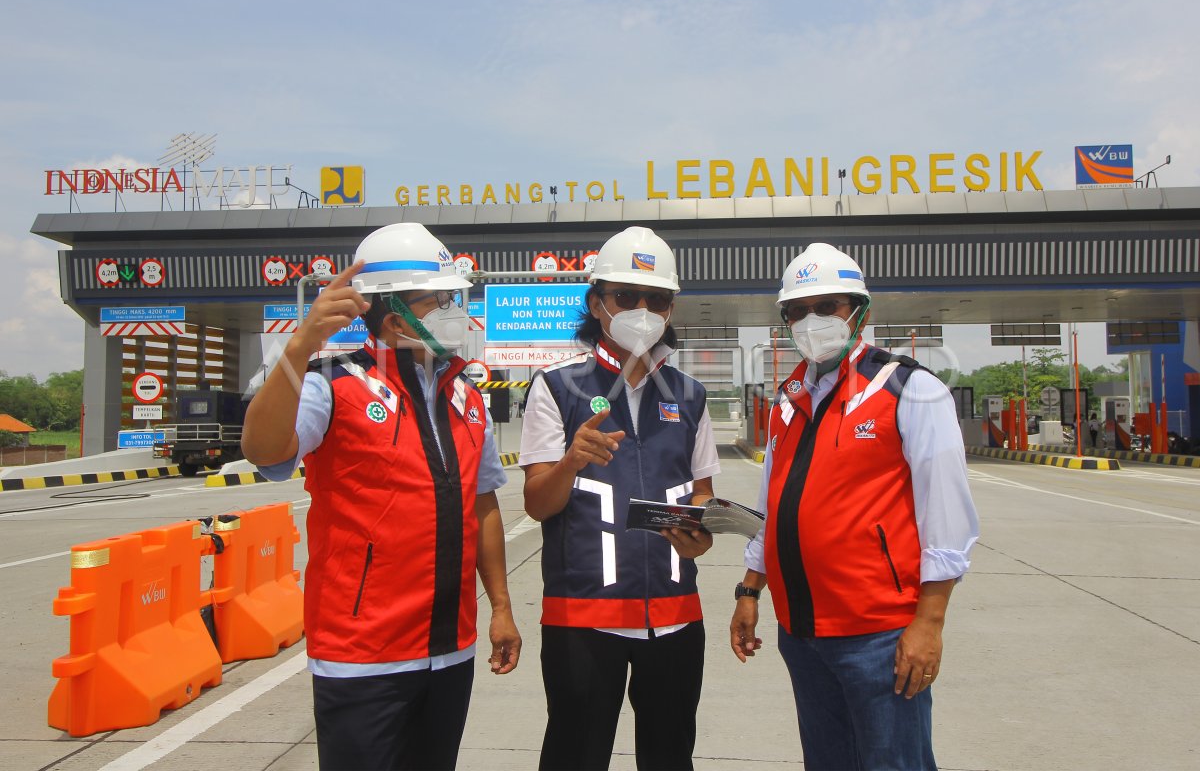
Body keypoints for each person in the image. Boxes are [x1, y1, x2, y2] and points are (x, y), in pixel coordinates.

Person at [241, 223, 521, 771]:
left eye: (453, 297)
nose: (453, 309)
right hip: (362, 657)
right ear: (394, 317)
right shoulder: (331, 385)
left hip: (451, 649)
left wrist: (502, 610)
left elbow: (482, 504)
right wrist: (299, 346)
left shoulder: (467, 395)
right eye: (439, 300)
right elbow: (265, 453)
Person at [729, 242, 979, 771]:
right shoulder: (789, 400)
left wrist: (928, 623)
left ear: (860, 311)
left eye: (828, 307)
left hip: (879, 634)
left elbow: (948, 520)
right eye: (798, 310)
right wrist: (750, 590)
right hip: (801, 632)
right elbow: (770, 505)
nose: (812, 320)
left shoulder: (910, 389)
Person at [520, 226, 720, 771]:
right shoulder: (557, 388)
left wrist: (700, 535)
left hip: (676, 619)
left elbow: (703, 496)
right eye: (626, 297)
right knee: (574, 756)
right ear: (596, 303)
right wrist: (570, 461)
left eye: (656, 298)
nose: (642, 309)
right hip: (583, 619)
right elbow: (537, 502)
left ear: (671, 308)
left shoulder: (690, 394)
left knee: (671, 756)